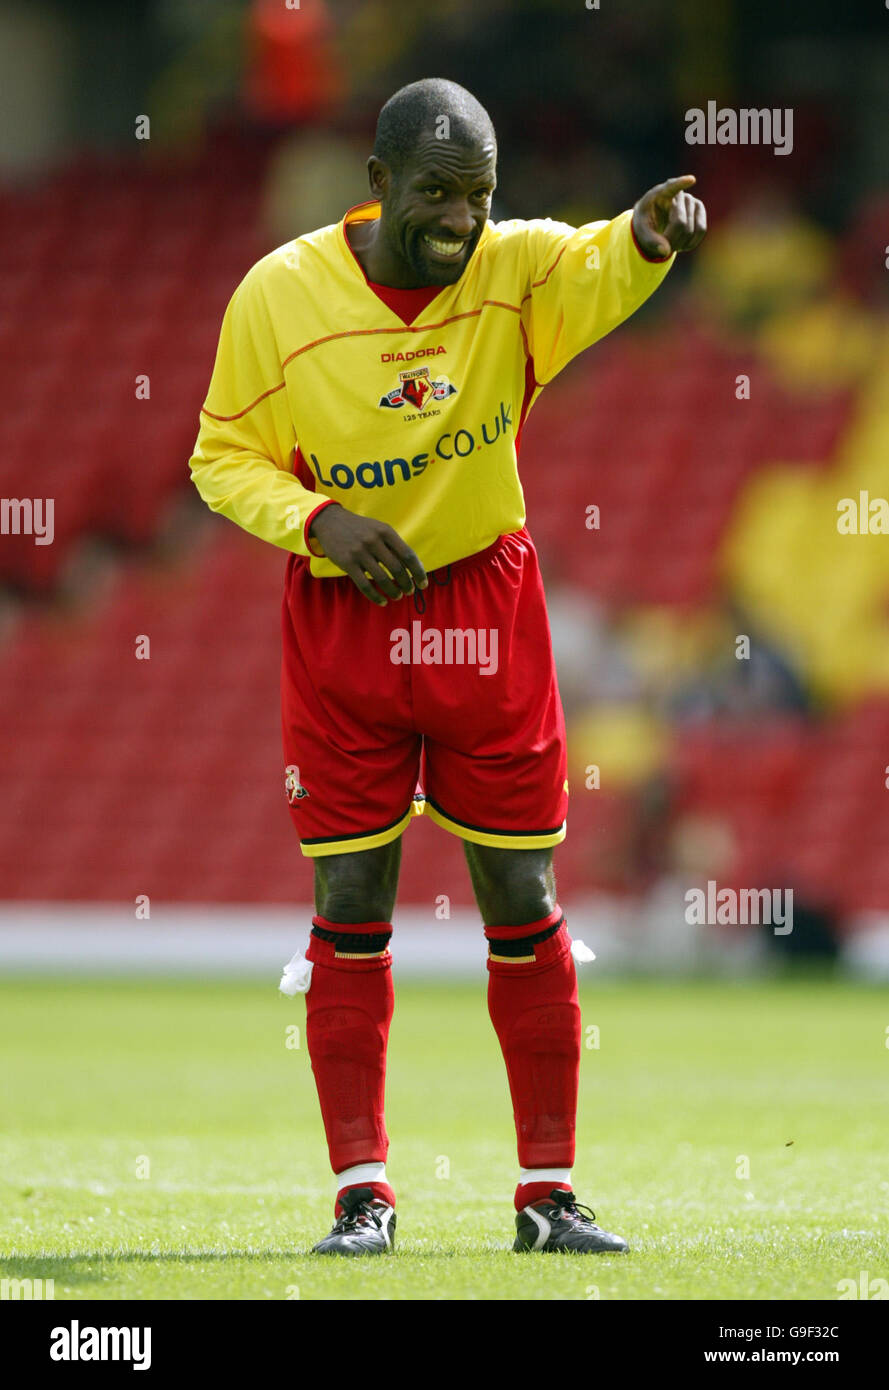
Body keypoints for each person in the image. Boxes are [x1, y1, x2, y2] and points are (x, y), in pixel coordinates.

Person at [189, 77, 706, 1256]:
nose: (458, 221)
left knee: (522, 899)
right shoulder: (278, 296)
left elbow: (598, 261)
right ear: (375, 185)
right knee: (352, 900)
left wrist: (647, 235)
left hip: (486, 606)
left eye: (476, 195)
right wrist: (320, 521)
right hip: (344, 620)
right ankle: (361, 1196)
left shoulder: (510, 268)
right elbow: (222, 456)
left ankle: (547, 1196)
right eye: (433, 194)